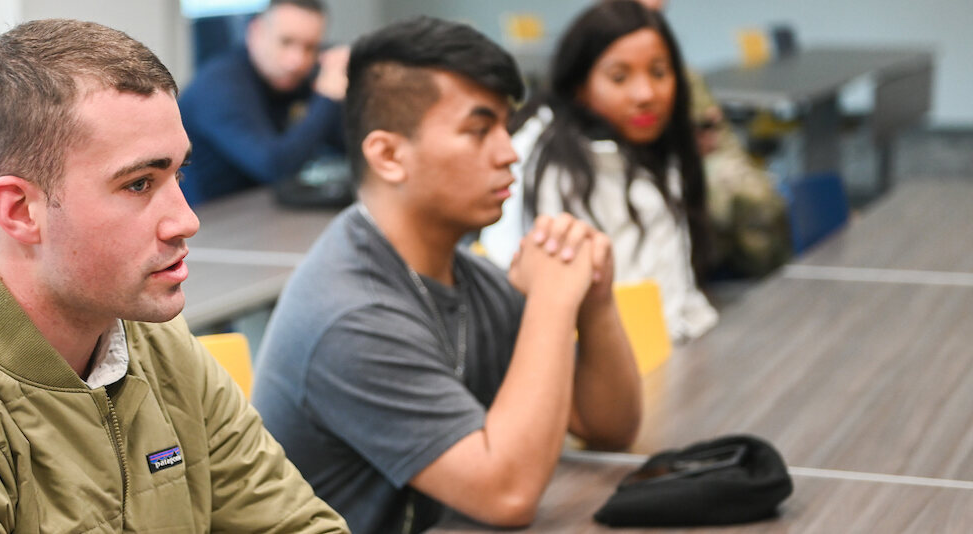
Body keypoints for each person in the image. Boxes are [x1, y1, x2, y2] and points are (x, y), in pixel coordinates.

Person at [0, 19, 347, 533]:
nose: (186, 219)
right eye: (140, 184)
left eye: (178, 173)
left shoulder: (153, 346)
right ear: (20, 210)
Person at [252, 17, 642, 534]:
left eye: (506, 126)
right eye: (479, 131)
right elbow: (508, 495)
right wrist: (551, 300)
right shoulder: (351, 314)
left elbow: (607, 427)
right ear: (389, 155)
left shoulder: (465, 276)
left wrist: (592, 301)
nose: (509, 153)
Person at [481, 0, 718, 342]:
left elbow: (673, 291)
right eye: (619, 77)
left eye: (659, 72)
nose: (645, 94)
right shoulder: (553, 166)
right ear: (580, 85)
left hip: (670, 351)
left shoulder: (657, 149)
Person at [631, 0, 791, 277]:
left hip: (702, 158)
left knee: (758, 197)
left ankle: (762, 270)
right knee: (746, 198)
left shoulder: (683, 73)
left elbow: (714, 134)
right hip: (663, 165)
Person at [178, 0, 348, 205]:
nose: (297, 61)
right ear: (256, 33)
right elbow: (275, 167)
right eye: (286, 42)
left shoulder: (292, 80)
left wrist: (348, 89)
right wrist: (327, 96)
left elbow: (345, 143)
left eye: (310, 47)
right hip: (206, 223)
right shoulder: (220, 86)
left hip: (258, 211)